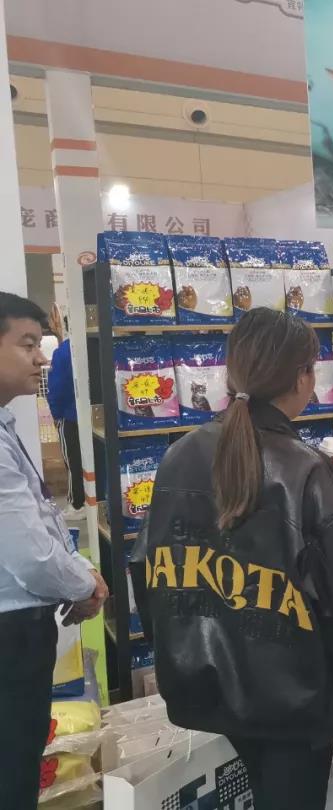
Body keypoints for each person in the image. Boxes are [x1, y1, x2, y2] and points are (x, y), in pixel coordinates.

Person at [140, 309, 333, 810]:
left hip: (208, 680)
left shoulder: (178, 455)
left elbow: (147, 569)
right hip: (296, 691)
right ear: (302, 378)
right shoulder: (307, 468)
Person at [0, 292, 108, 807]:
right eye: (27, 344)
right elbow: (32, 557)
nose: (41, 357)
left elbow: (39, 521)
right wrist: (85, 583)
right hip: (11, 635)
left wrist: (78, 569)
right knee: (13, 770)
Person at [45, 308, 84, 517]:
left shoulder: (63, 352)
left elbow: (56, 388)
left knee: (73, 461)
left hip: (69, 417)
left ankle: (77, 504)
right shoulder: (96, 347)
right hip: (96, 418)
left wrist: (56, 415)